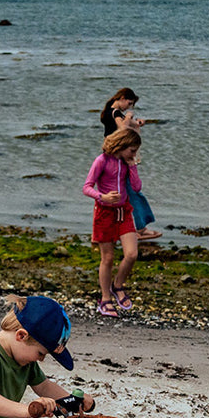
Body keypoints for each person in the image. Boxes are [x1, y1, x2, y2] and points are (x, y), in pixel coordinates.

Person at [83, 127, 142, 316]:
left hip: (123, 211)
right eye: (132, 150)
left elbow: (136, 187)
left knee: (131, 254)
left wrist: (132, 165)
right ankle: (105, 299)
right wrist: (103, 197)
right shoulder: (101, 161)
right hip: (104, 213)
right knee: (107, 258)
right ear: (122, 145)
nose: (134, 154)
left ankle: (117, 286)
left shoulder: (126, 163)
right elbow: (86, 187)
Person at [101, 88, 161, 241]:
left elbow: (128, 125)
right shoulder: (113, 113)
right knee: (133, 191)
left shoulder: (116, 114)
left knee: (127, 192)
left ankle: (130, 228)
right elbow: (122, 128)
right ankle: (139, 229)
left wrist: (137, 122)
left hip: (117, 156)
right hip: (119, 157)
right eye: (129, 103)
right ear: (122, 98)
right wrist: (129, 117)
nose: (129, 107)